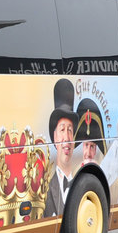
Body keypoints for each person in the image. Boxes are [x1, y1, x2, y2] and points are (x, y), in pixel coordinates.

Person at [43, 78, 77, 217]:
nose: (67, 138)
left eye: (70, 130)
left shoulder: (80, 180)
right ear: (55, 138)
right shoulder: (46, 190)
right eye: (62, 130)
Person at [75, 98, 108, 167]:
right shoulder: (75, 171)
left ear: (95, 150)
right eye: (86, 145)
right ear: (82, 147)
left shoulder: (100, 170)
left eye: (92, 146)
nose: (88, 153)